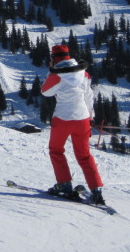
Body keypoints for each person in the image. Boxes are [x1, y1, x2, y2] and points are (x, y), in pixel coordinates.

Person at [41, 44, 105, 205]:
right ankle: (96, 190)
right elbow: (89, 96)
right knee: (84, 155)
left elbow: (45, 92)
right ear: (69, 56)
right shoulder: (84, 73)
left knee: (56, 151)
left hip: (62, 119)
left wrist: (50, 72)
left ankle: (64, 184)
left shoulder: (56, 75)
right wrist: (91, 117)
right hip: (82, 118)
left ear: (54, 59)